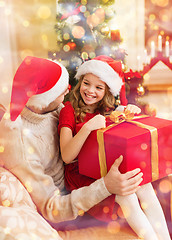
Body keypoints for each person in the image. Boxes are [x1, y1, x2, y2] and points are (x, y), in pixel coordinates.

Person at [0, 56, 143, 240]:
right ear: (46, 97)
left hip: (83, 178)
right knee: (130, 196)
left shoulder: (51, 110)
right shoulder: (23, 144)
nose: (69, 92)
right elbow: (53, 207)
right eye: (63, 90)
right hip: (69, 207)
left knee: (145, 185)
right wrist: (105, 186)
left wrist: (120, 111)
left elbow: (87, 118)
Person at [58, 56, 171, 240]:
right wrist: (88, 127)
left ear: (107, 91)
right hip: (80, 174)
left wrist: (129, 114)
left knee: (144, 185)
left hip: (104, 169)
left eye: (98, 87)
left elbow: (121, 139)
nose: (90, 91)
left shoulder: (107, 109)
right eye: (86, 83)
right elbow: (67, 156)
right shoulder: (68, 110)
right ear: (80, 82)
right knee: (126, 196)